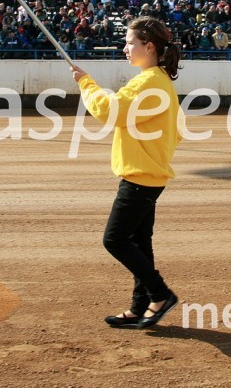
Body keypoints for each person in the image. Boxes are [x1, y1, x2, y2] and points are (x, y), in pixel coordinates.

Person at [71, 17, 182, 329]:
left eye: (130, 42)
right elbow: (178, 130)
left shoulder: (149, 82)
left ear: (149, 46)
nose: (125, 48)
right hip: (147, 173)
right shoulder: (158, 80)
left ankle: (160, 294)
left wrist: (85, 83)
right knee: (138, 241)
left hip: (141, 176)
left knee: (115, 239)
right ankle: (140, 304)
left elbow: (110, 111)